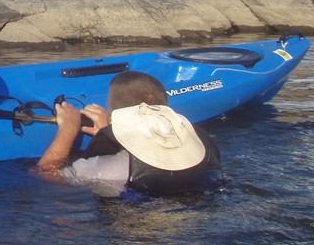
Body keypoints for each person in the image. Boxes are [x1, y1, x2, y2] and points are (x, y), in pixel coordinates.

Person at [36, 71, 223, 196]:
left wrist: (68, 130)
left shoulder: (105, 168)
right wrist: (107, 134)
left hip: (137, 242)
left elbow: (45, 175)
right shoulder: (206, 145)